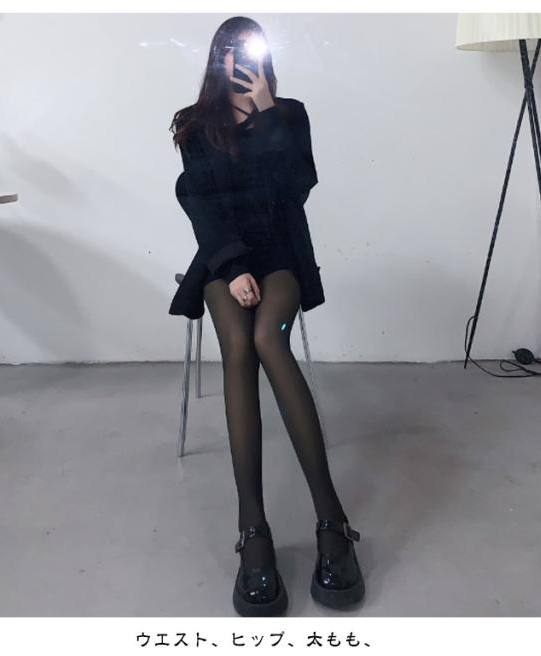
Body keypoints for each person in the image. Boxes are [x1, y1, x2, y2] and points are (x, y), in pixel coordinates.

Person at [169, 16, 364, 616]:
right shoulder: (193, 124)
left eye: (249, 49)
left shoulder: (290, 114)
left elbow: (298, 186)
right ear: (216, 58)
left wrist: (268, 110)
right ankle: (252, 529)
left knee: (269, 339)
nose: (239, 59)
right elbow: (201, 202)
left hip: (280, 252)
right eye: (229, 50)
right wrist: (231, 267)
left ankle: (332, 519)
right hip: (223, 258)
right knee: (239, 345)